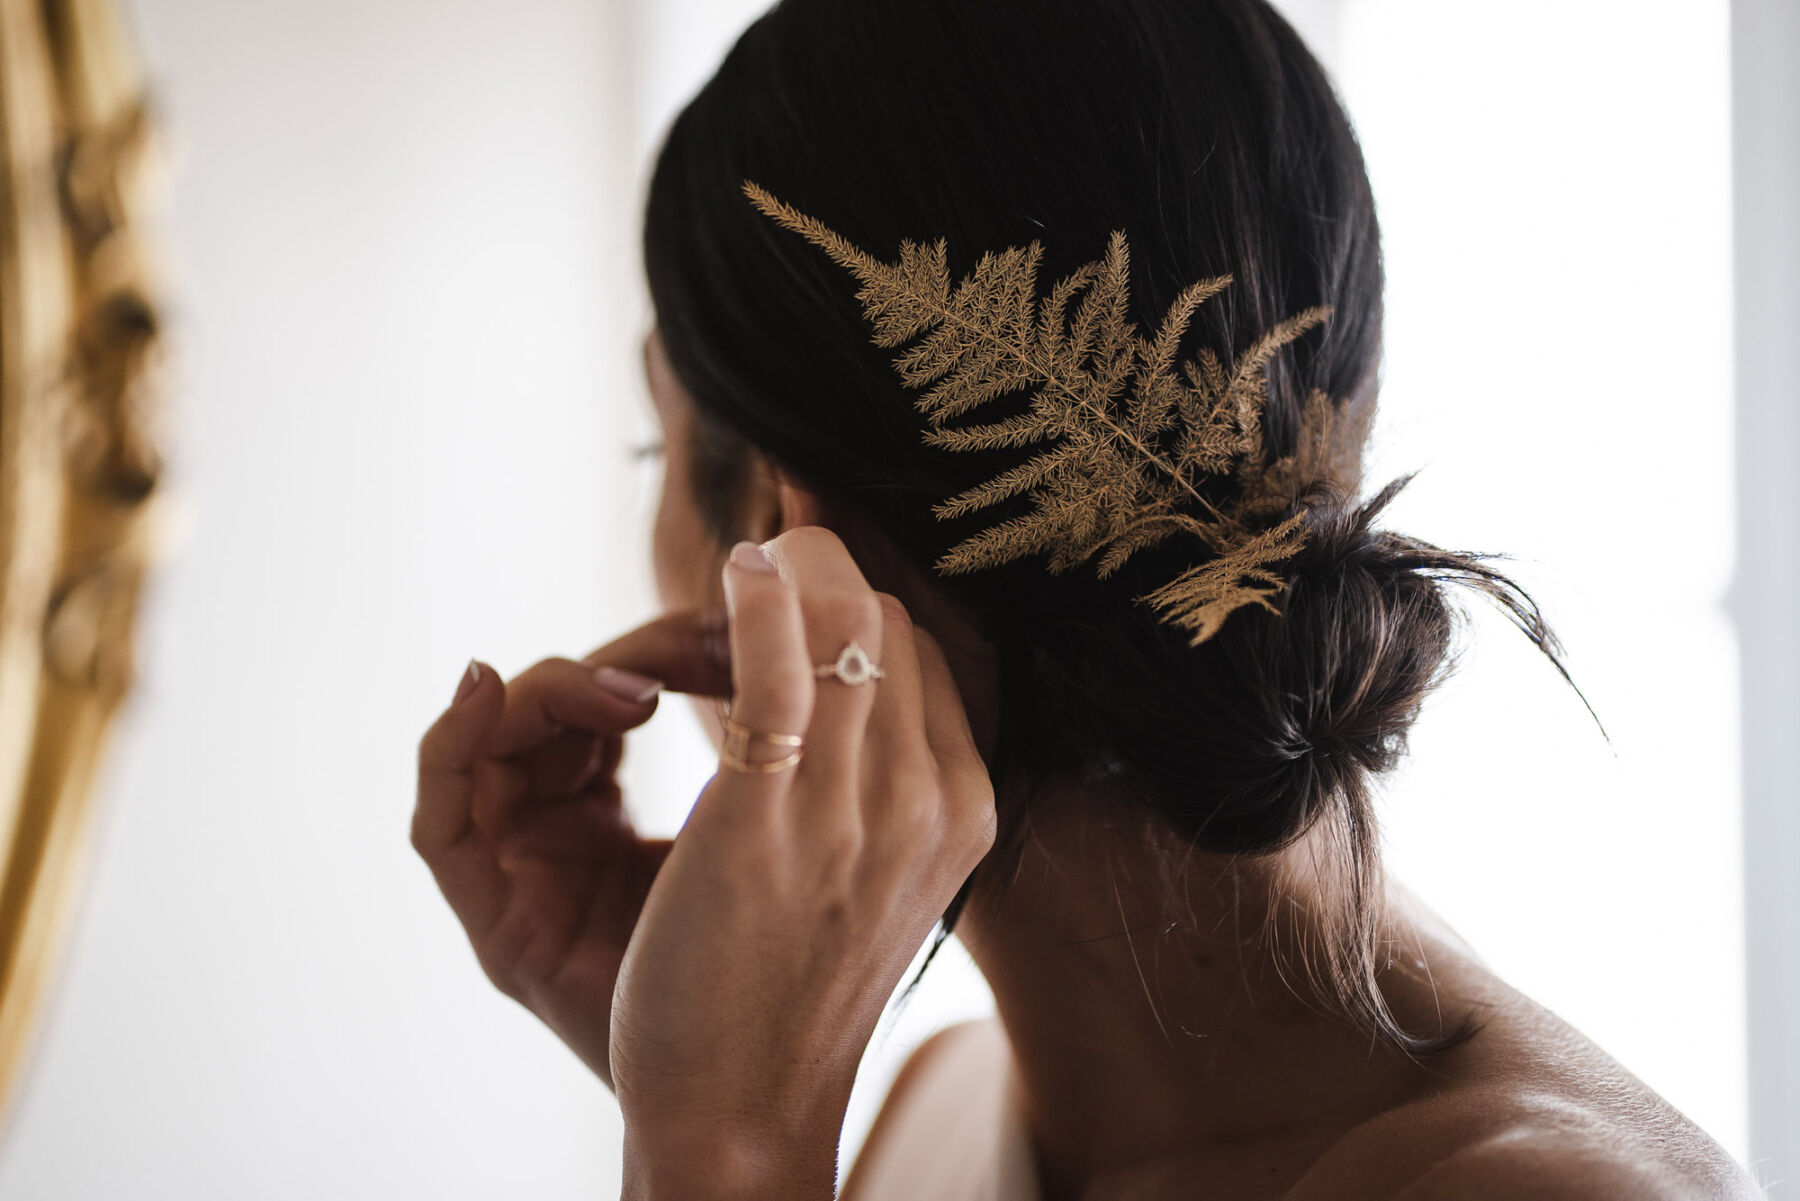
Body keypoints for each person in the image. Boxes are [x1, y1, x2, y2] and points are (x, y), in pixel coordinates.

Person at [412, 1, 1761, 1196]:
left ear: (785, 535)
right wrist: (689, 1075)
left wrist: (718, 1150)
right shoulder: (943, 1109)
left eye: (663, 445)